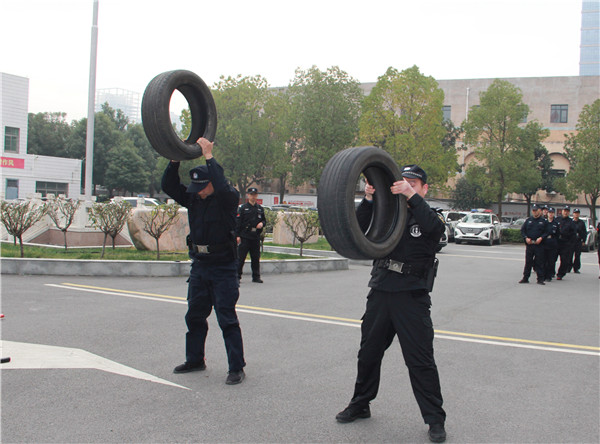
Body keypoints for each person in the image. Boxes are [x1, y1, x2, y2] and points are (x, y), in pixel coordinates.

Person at [336, 165, 447, 443]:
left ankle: (435, 419)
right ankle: (360, 404)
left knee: (420, 360)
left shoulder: (428, 215)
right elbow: (359, 229)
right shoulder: (387, 211)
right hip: (382, 289)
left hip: (411, 295)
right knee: (369, 353)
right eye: (403, 182)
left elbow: (435, 231)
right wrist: (370, 198)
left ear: (424, 188)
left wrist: (411, 196)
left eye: (413, 182)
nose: (407, 185)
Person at [161, 137, 246, 385]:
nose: (196, 192)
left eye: (202, 187)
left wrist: (209, 155)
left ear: (211, 184)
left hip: (223, 266)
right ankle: (195, 359)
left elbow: (221, 184)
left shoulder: (227, 199)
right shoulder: (193, 199)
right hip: (200, 265)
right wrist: (175, 157)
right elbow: (168, 185)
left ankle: (236, 367)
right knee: (195, 316)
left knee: (226, 318)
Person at [236, 187, 265, 283]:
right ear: (248, 195)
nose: (253, 196)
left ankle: (256, 276)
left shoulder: (260, 209)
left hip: (255, 236)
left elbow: (264, 220)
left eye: (255, 194)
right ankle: (237, 276)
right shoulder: (243, 208)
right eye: (251, 194)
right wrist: (237, 235)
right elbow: (238, 223)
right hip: (245, 236)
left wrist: (262, 224)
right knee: (241, 258)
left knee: (255, 258)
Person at [519, 204, 549, 285]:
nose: (534, 212)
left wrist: (541, 238)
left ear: (539, 211)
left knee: (539, 262)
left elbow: (547, 232)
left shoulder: (543, 221)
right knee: (528, 262)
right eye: (533, 210)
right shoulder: (528, 220)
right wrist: (525, 238)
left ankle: (540, 279)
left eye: (536, 210)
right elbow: (523, 230)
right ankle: (525, 278)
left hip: (539, 245)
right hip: (530, 245)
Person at [556, 205, 576, 281]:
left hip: (565, 243)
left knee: (564, 260)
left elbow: (573, 234)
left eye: (567, 211)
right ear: (562, 211)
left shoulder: (571, 222)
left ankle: (560, 274)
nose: (566, 212)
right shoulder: (557, 219)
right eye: (565, 211)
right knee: (551, 259)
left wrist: (570, 244)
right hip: (557, 242)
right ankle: (550, 272)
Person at [543, 208, 560, 282]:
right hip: (545, 242)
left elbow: (558, 234)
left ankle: (549, 275)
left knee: (551, 261)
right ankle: (543, 274)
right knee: (544, 260)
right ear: (547, 213)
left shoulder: (556, 223)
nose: (550, 214)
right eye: (549, 212)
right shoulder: (544, 223)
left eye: (552, 212)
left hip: (552, 243)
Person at [571, 209, 586, 274]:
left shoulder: (581, 223)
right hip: (571, 241)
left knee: (577, 255)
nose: (576, 214)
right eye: (575, 213)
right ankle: (568, 267)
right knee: (569, 255)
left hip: (578, 241)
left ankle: (576, 268)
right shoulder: (571, 222)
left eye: (577, 213)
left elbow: (584, 232)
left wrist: (583, 240)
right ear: (573, 214)